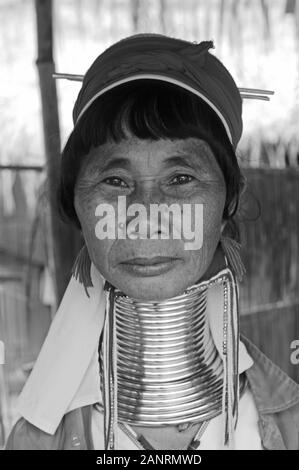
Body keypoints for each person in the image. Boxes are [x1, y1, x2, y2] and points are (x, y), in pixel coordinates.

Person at [6, 33, 299, 450]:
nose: (147, 216)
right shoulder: (37, 440)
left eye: (180, 179)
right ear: (77, 205)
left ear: (228, 202)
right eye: (115, 180)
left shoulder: (289, 425)